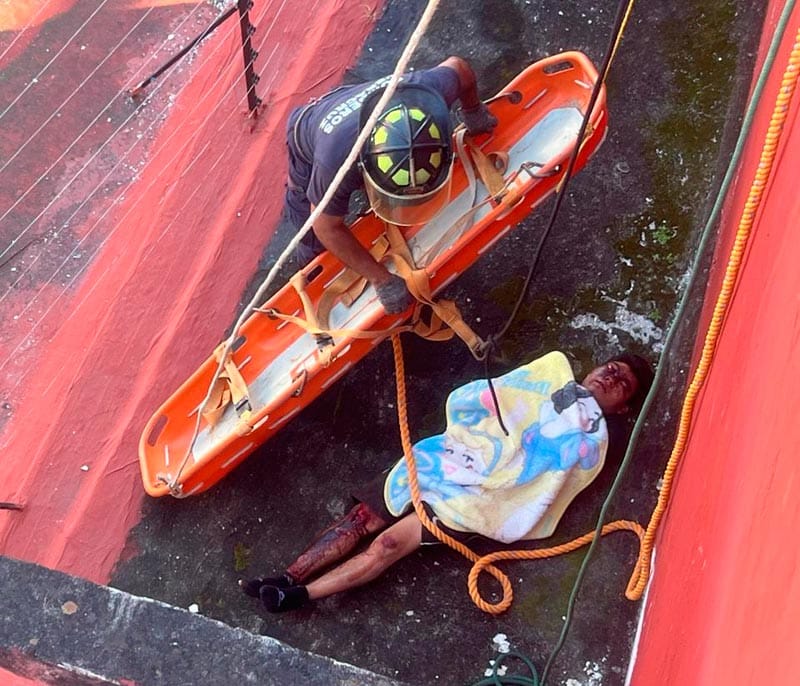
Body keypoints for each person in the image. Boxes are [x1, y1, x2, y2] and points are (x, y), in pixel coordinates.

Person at [240, 350, 655, 613]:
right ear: (596, 365)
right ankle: (287, 576)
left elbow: (554, 476)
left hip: (483, 496)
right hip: (457, 456)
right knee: (361, 519)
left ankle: (299, 597)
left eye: (622, 386)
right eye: (612, 368)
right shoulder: (548, 373)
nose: (611, 378)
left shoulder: (594, 439)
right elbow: (496, 399)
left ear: (622, 408)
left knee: (387, 545)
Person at [284, 56, 498, 314]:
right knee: (309, 227)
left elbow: (459, 68)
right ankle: (310, 265)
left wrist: (473, 112)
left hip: (364, 103)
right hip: (312, 126)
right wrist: (382, 280)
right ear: (365, 169)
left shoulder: (428, 93)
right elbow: (326, 227)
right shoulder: (335, 160)